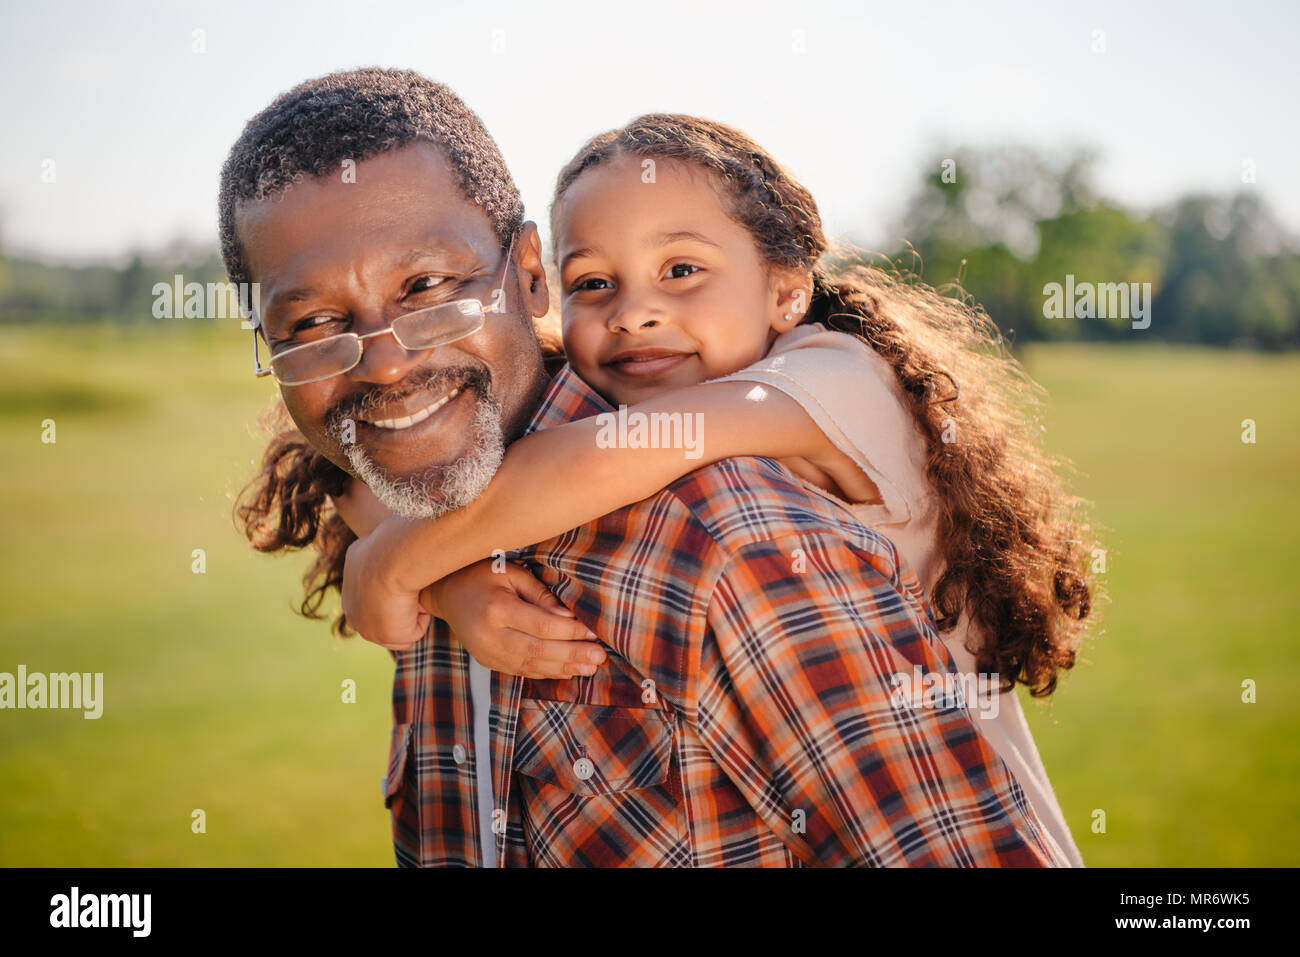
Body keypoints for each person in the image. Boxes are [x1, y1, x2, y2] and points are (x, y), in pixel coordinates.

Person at [226, 68, 1076, 866]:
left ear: (787, 288)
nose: (635, 313)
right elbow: (358, 477)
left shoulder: (771, 478)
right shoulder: (453, 465)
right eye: (594, 282)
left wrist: (405, 559)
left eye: (425, 287)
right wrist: (441, 578)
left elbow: (607, 459)